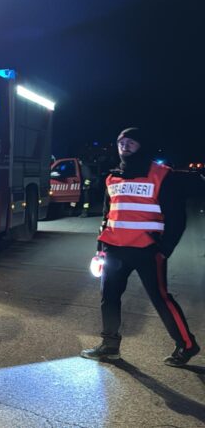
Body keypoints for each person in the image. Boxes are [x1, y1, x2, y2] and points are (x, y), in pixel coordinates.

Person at [81, 127, 199, 366]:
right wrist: (100, 248)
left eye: (131, 142)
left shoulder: (161, 175)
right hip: (114, 249)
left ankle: (187, 345)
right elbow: (108, 215)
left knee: (161, 298)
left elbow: (177, 217)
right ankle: (109, 346)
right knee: (109, 298)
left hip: (147, 250)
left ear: (142, 146)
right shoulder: (112, 177)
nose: (124, 146)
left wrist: (164, 249)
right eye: (121, 142)